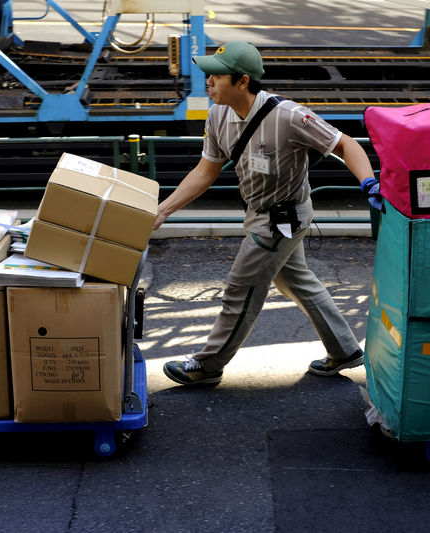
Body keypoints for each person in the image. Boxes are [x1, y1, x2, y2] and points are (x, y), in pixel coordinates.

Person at [154, 41, 382, 386]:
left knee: (240, 289)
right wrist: (163, 210)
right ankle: (345, 350)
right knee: (296, 281)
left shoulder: (290, 116)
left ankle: (209, 364)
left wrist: (368, 182)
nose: (208, 83)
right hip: (261, 213)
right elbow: (205, 171)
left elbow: (346, 143)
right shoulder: (217, 115)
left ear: (242, 81)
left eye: (216, 76)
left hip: (283, 220)